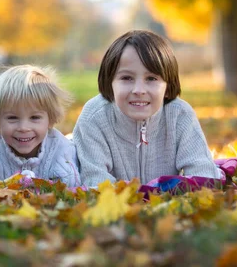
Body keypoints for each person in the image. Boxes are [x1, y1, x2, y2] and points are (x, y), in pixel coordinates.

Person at [73, 30, 222, 187]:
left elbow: (204, 176)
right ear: (110, 81)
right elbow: (95, 182)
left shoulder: (180, 115)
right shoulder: (94, 117)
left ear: (168, 84)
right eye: (126, 78)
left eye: (151, 79)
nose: (139, 90)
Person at [0, 65, 81, 187]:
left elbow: (72, 192)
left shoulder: (62, 151)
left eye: (34, 118)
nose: (24, 127)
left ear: (50, 118)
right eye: (12, 118)